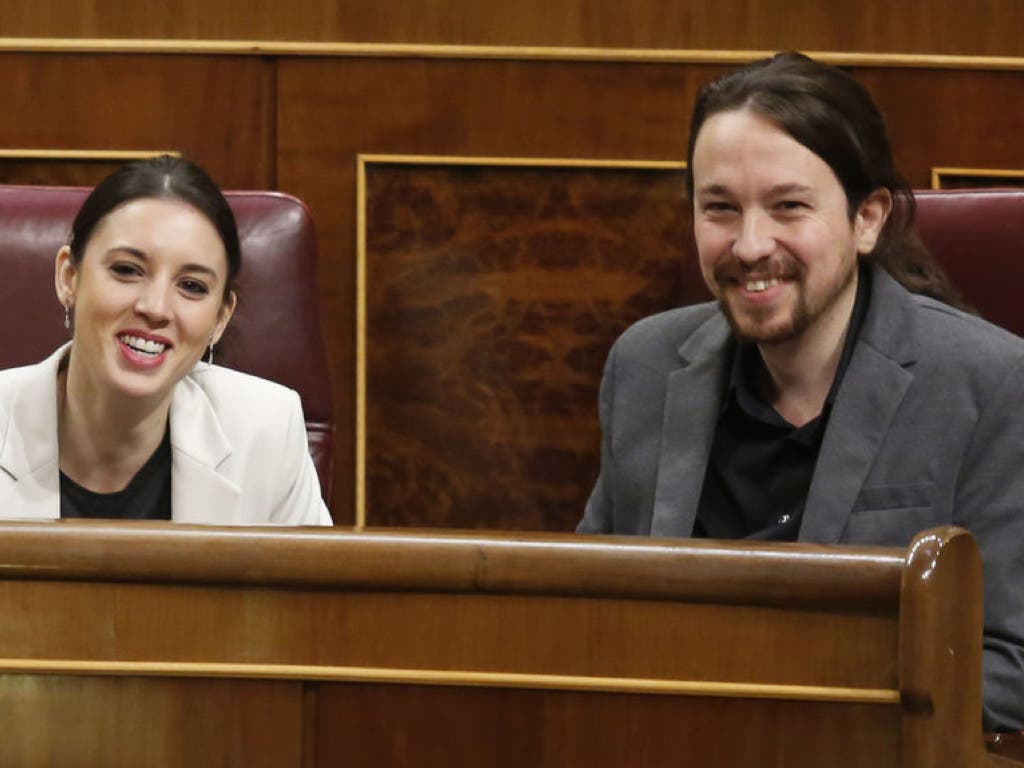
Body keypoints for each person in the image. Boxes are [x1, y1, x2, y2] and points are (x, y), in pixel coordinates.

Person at [578, 52, 1024, 731]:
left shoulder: (991, 384)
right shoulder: (644, 365)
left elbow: (1010, 664)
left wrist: (780, 711)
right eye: (720, 209)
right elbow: (581, 613)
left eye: (788, 207)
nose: (751, 245)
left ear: (867, 218)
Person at [0, 155, 331, 525]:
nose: (156, 308)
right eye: (127, 270)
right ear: (69, 277)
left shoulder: (266, 431)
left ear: (221, 318)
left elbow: (310, 581)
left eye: (191, 286)